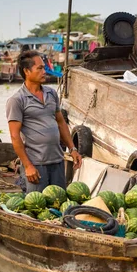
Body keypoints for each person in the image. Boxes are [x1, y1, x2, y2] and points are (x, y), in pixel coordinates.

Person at [6, 51, 82, 192]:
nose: (44, 71)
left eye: (44, 67)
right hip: (36, 164)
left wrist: (73, 149)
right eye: (40, 68)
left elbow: (61, 123)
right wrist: (28, 166)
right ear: (27, 71)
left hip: (57, 161)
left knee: (58, 202)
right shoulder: (17, 100)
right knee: (38, 206)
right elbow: (15, 136)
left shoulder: (51, 93)